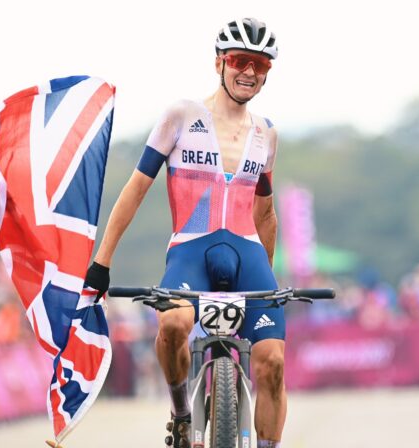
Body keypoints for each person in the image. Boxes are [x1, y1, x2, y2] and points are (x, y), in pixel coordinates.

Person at [86, 18, 285, 448]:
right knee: (174, 324)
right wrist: (102, 262)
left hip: (248, 254)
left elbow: (266, 213)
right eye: (240, 60)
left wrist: (265, 284)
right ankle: (180, 412)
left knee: (272, 362)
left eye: (261, 64)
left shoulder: (267, 134)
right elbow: (135, 190)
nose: (250, 72)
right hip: (191, 250)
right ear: (220, 63)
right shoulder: (181, 115)